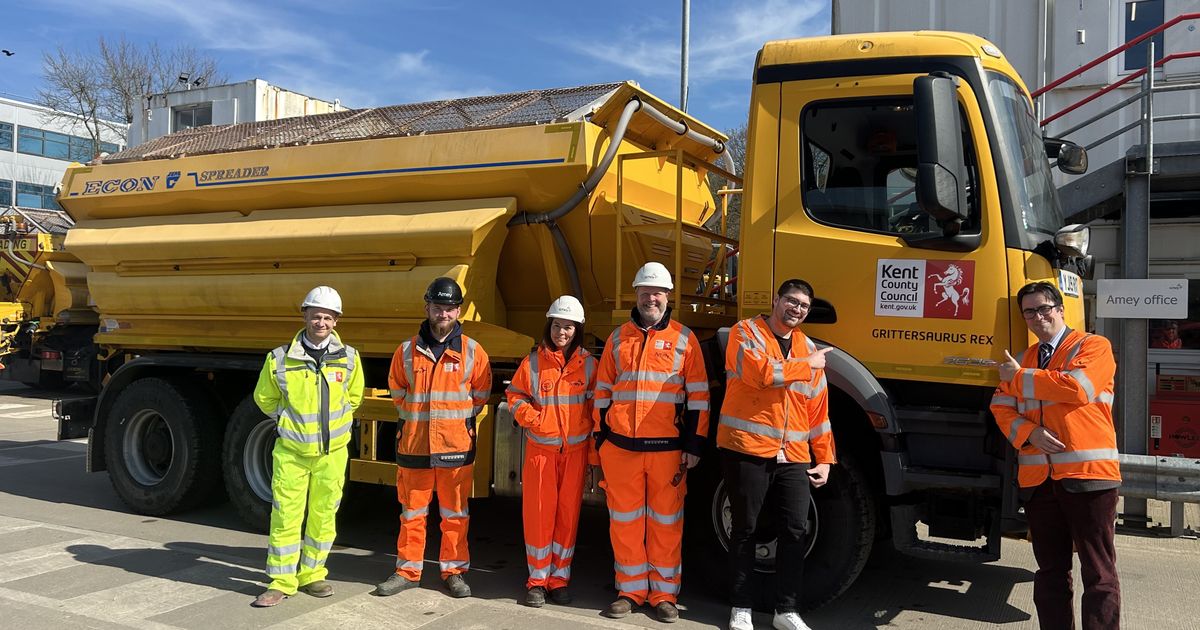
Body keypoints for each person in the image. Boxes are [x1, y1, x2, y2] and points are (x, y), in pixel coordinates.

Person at [991, 281, 1121, 629]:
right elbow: (1000, 406)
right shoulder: (1022, 359)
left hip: (1089, 476)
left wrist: (1019, 378)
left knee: (1099, 574)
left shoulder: (1093, 346)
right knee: (1050, 573)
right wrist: (1029, 433)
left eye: (1044, 308)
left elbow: (1077, 388)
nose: (1038, 316)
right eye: (1029, 312)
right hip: (1039, 482)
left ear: (1060, 310)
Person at [593, 262, 710, 623]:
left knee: (666, 523)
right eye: (645, 292)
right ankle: (629, 591)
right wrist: (601, 439)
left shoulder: (684, 339)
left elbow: (699, 396)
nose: (651, 299)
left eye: (657, 292)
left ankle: (663, 594)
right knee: (624, 522)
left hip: (667, 449)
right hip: (621, 448)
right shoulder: (617, 338)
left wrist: (694, 444)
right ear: (637, 294)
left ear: (667, 296)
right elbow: (602, 391)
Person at [718, 279, 834, 630]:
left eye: (803, 306)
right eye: (791, 301)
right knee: (745, 529)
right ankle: (741, 607)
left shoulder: (807, 347)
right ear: (776, 300)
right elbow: (760, 374)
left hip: (793, 454)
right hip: (747, 447)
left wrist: (825, 459)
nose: (796, 309)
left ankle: (787, 611)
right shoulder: (745, 333)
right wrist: (807, 365)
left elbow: (818, 411)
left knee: (795, 530)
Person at [375, 277, 492, 599]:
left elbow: (480, 395)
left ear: (459, 311)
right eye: (438, 307)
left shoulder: (473, 351)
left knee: (455, 515)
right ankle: (407, 571)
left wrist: (453, 425)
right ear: (427, 308)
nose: (444, 313)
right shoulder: (406, 351)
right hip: (415, 445)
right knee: (412, 513)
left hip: (455, 447)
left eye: (450, 308)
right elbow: (397, 392)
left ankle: (454, 572)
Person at [251, 286, 365, 607]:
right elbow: (264, 398)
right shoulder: (279, 358)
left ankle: (313, 574)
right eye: (316, 316)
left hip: (332, 454)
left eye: (328, 317)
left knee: (323, 515)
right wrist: (287, 419)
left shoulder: (349, 358)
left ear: (336, 321)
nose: (321, 323)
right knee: (285, 517)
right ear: (305, 316)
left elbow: (354, 397)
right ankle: (281, 581)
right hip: (292, 453)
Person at [506, 295, 597, 607]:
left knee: (567, 518)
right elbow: (515, 395)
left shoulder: (590, 365)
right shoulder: (533, 363)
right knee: (539, 516)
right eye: (557, 325)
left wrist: (593, 456)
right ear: (549, 326)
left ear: (577, 330)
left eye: (568, 327)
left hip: (575, 453)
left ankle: (559, 580)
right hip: (541, 453)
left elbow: (596, 410)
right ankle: (537, 581)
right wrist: (534, 419)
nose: (562, 332)